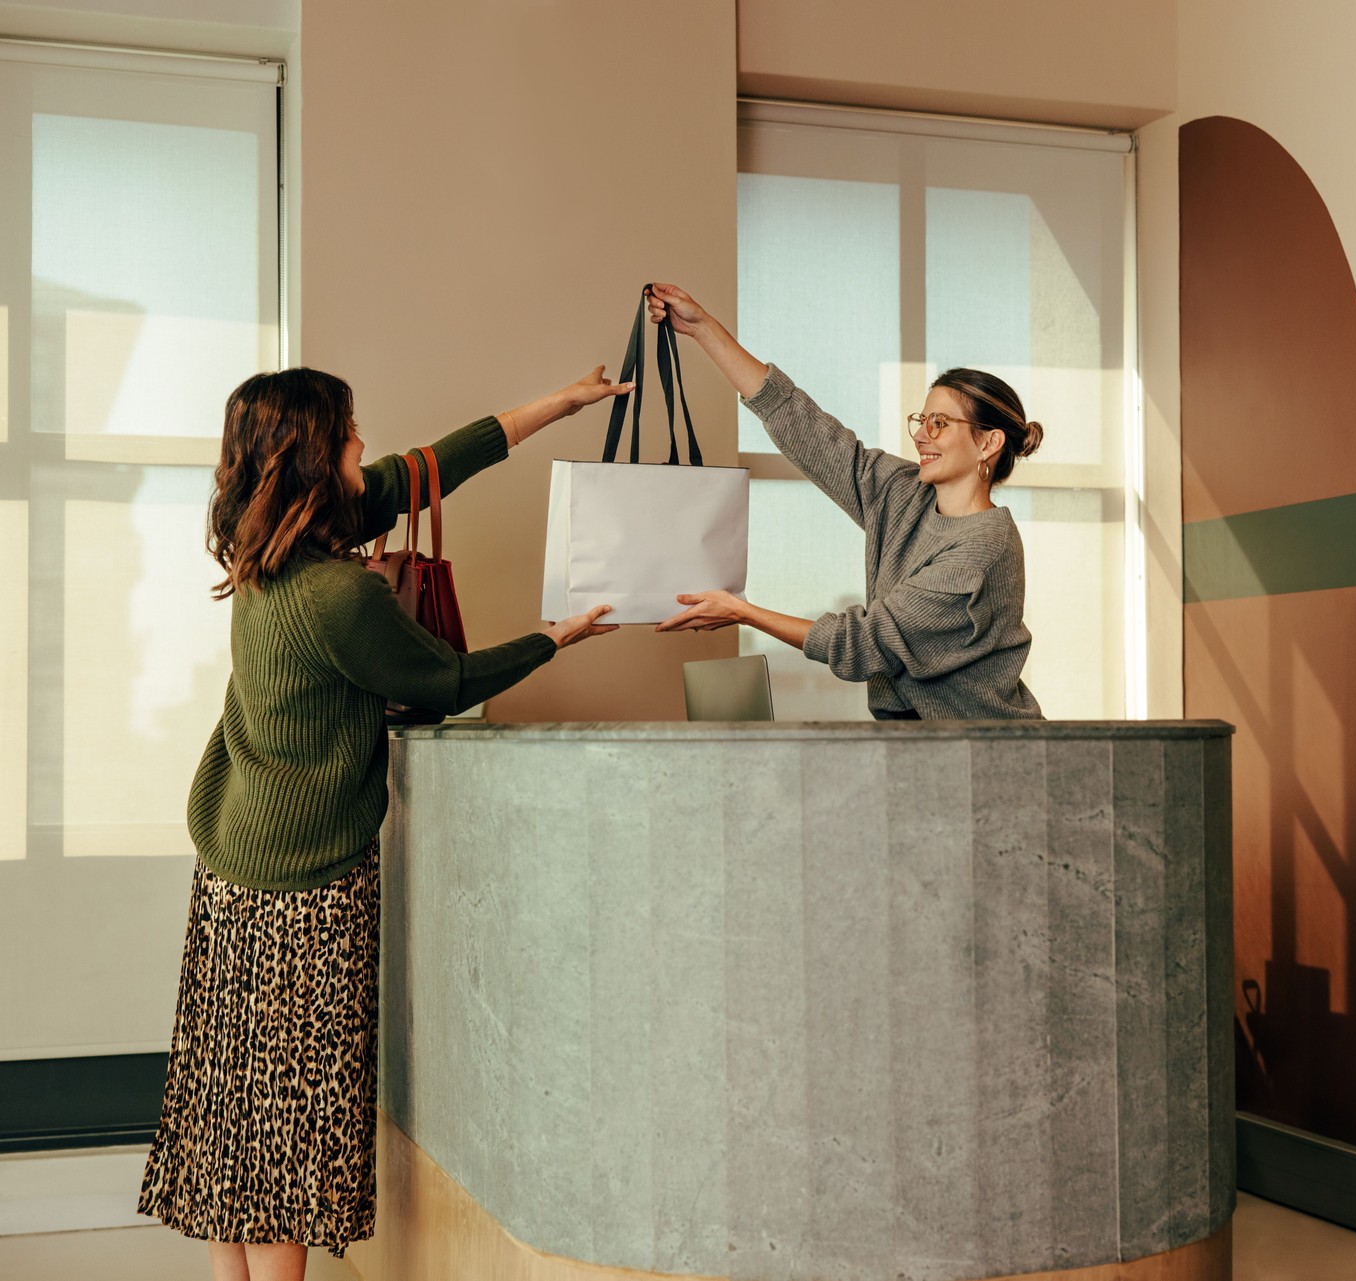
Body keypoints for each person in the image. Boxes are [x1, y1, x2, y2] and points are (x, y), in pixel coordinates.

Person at [136, 365, 623, 1280]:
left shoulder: (263, 552)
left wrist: (561, 402)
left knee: (233, 1111)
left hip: (234, 867)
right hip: (306, 894)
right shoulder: (341, 597)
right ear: (318, 457)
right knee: (284, 1141)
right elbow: (442, 680)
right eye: (350, 432)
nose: (366, 442)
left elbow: (422, 470)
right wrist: (555, 637)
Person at [647, 283, 1046, 720]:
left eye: (939, 423)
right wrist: (704, 329)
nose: (919, 436)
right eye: (920, 420)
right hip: (919, 747)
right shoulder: (904, 492)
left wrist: (744, 612)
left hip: (988, 753)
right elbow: (807, 428)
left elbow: (866, 645)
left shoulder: (982, 549)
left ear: (989, 442)